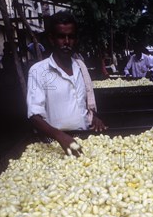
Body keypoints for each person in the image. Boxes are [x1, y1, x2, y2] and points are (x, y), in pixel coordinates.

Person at [27, 12, 106, 156]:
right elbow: (34, 116)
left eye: (71, 36)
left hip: (84, 141)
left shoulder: (80, 67)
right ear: (51, 39)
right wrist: (60, 136)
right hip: (54, 145)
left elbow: (82, 105)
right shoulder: (38, 71)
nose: (67, 42)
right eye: (61, 37)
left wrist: (93, 118)